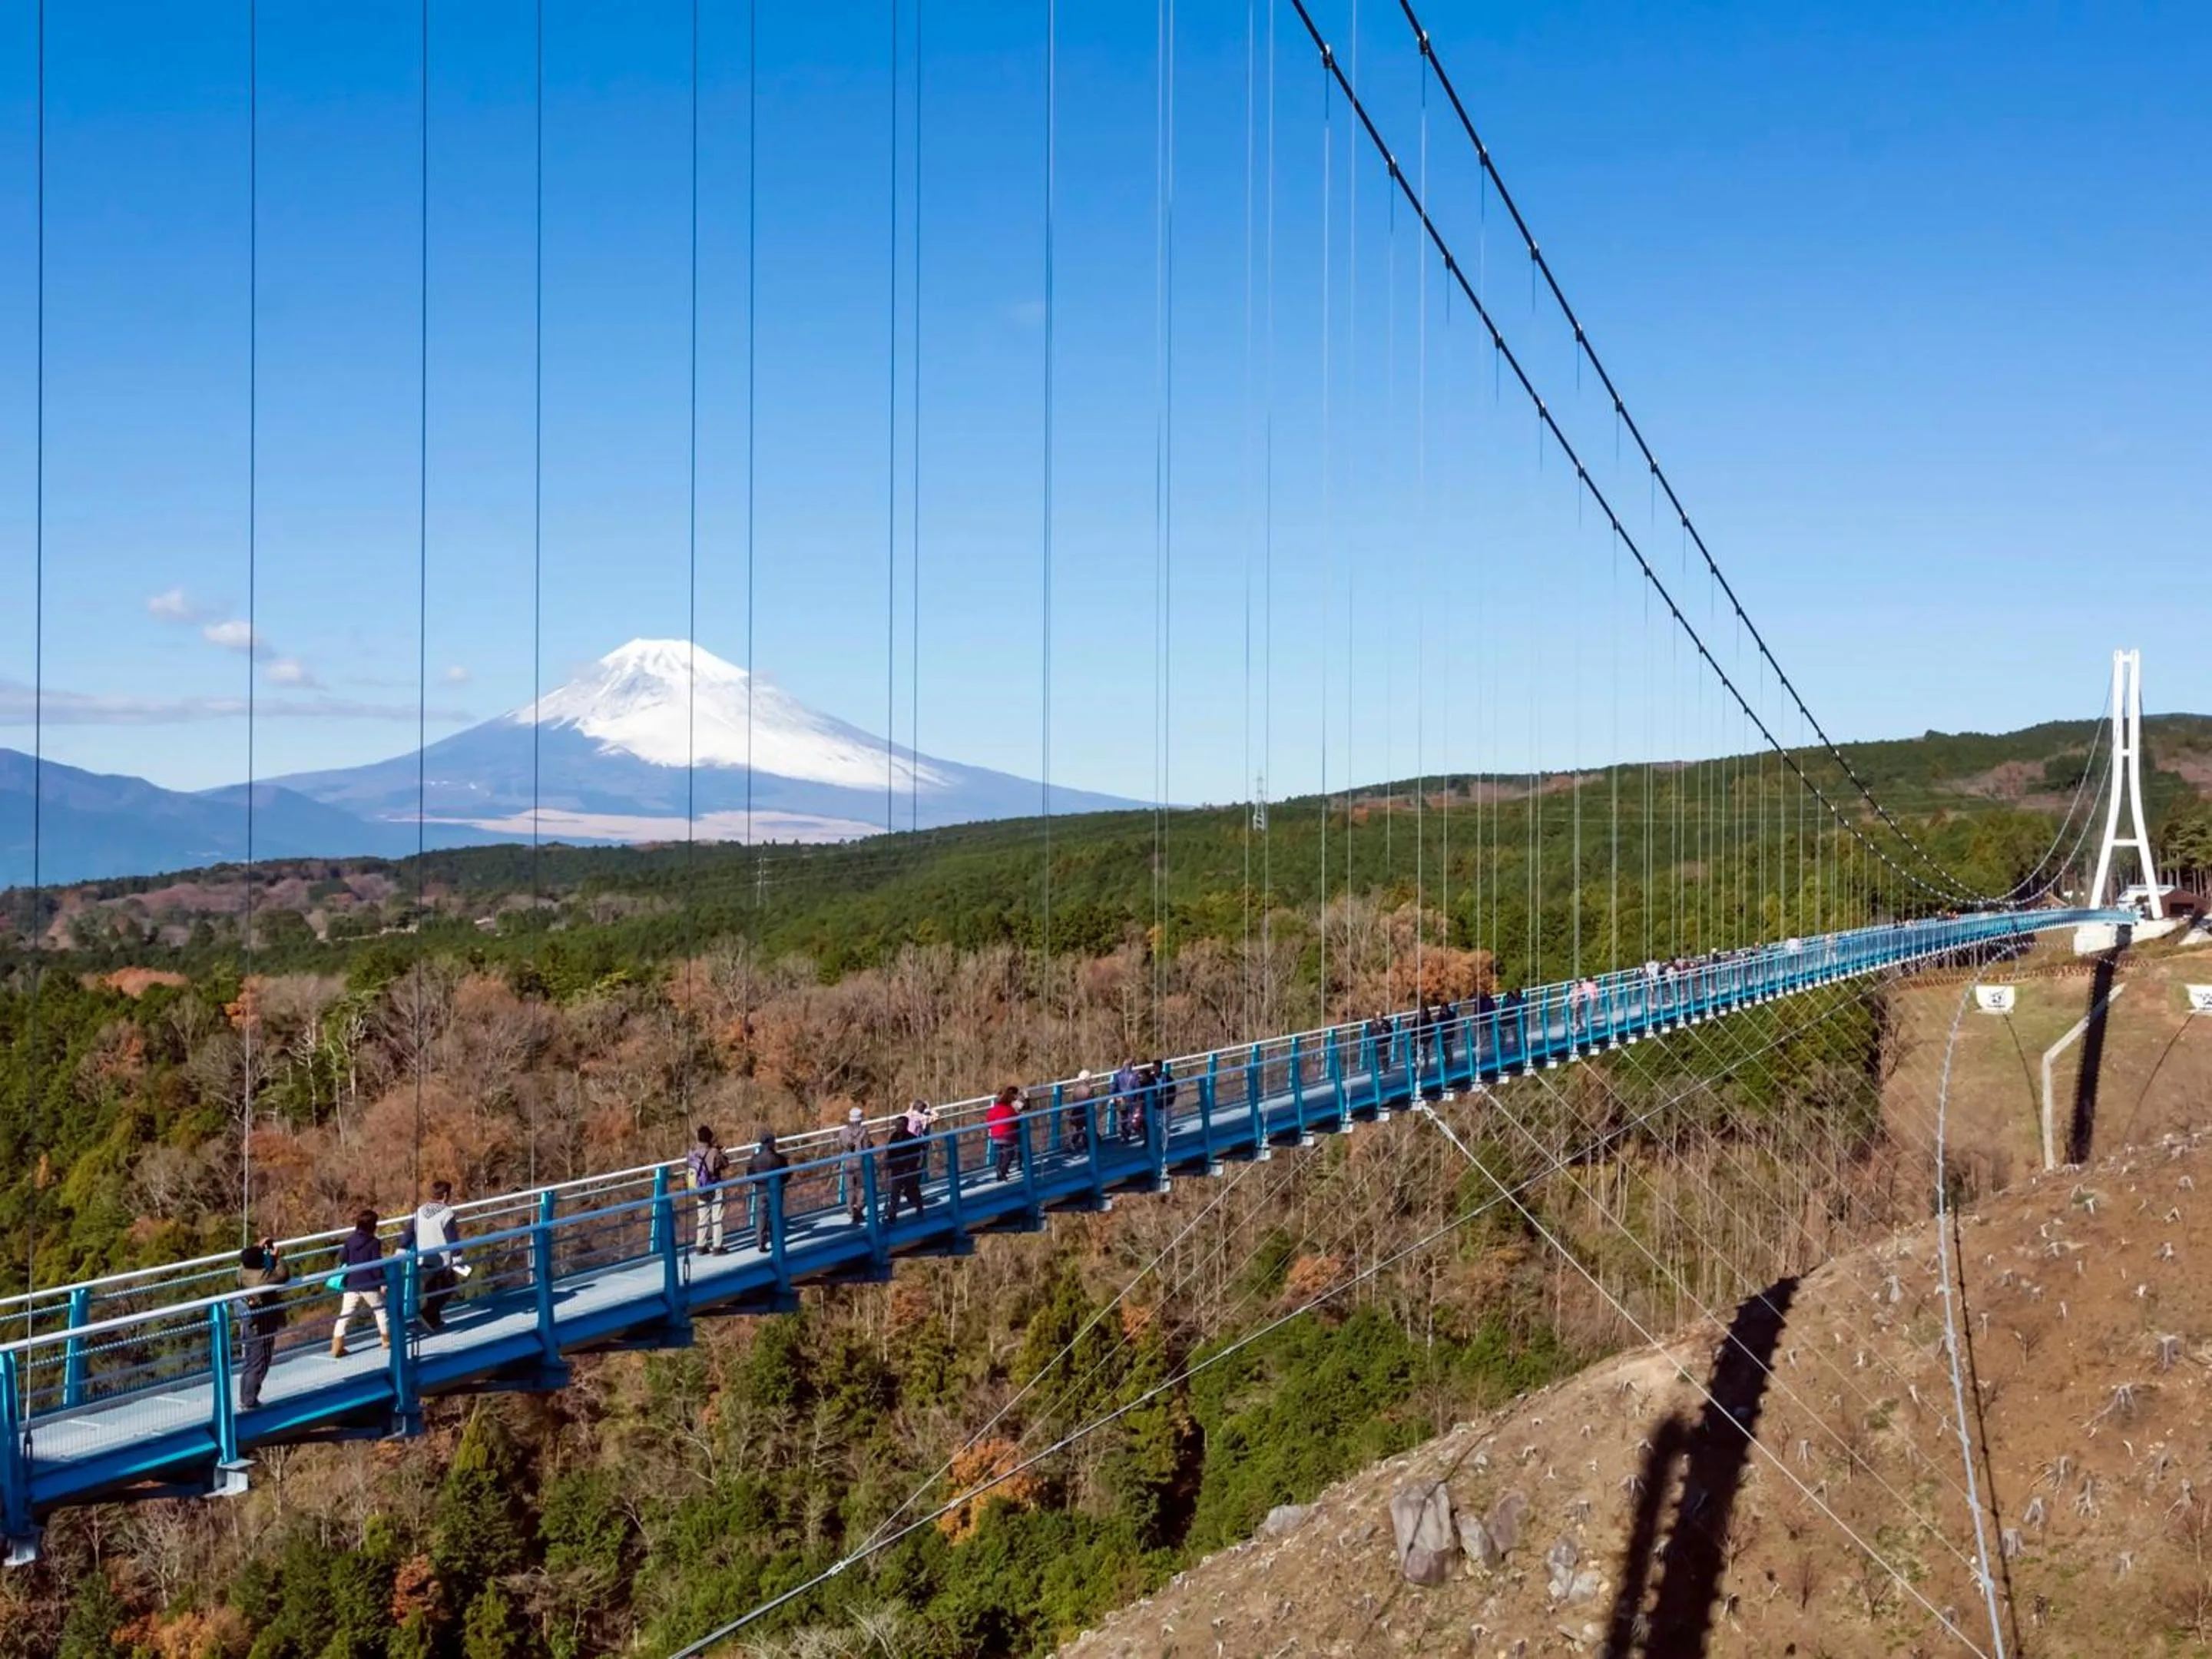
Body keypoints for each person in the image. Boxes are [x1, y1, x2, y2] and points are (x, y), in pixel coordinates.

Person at [400, 1181, 464, 1333]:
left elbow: (409, 1232)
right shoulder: (446, 1213)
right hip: (442, 1261)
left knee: (431, 1291)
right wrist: (457, 1256)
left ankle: (434, 1321)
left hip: (423, 1259)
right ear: (446, 1195)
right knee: (447, 1289)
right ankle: (426, 1315)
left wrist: (401, 1248)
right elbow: (452, 1237)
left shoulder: (420, 1211)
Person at [237, 1236, 289, 1409]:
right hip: (262, 1322)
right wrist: (277, 1258)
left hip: (248, 1320)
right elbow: (282, 1275)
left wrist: (260, 1250)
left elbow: (250, 1262)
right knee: (260, 1361)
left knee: (249, 1361)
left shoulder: (242, 1272)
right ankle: (250, 1401)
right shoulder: (263, 1279)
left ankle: (246, 1398)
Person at [331, 1208, 389, 1358]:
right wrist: (382, 1282)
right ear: (373, 1225)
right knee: (380, 1310)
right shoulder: (374, 1242)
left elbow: (342, 1257)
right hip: (369, 1283)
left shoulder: (350, 1240)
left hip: (352, 1282)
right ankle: (386, 1340)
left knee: (345, 1314)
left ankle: (337, 1346)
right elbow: (377, 1265)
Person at [686, 1124, 730, 1255]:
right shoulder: (714, 1152)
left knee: (703, 1217)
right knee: (717, 1217)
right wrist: (722, 1154)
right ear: (710, 1138)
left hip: (699, 1188)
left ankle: (701, 1245)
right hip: (714, 1186)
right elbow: (724, 1164)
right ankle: (717, 1246)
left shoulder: (692, 1152)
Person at [746, 1129, 790, 1253]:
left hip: (760, 1190)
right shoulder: (779, 1159)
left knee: (761, 1216)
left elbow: (750, 1175)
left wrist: (758, 1182)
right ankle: (776, 1241)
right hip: (775, 1190)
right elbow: (786, 1174)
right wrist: (781, 1183)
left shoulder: (755, 1159)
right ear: (771, 1143)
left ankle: (761, 1242)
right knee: (775, 1215)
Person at [883, 1111, 927, 1223]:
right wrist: (888, 1162)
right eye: (897, 1125)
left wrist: (911, 1165)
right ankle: (892, 1215)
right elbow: (890, 1151)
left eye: (901, 1125)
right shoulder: (893, 1136)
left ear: (906, 1125)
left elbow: (917, 1153)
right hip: (896, 1168)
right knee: (895, 1193)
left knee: (913, 1189)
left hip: (908, 1168)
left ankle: (919, 1206)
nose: (898, 1127)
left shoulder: (911, 1138)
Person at [837, 1107, 874, 1224]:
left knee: (849, 1187)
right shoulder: (864, 1131)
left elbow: (840, 1147)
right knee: (862, 1187)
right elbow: (866, 1148)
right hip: (860, 1162)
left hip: (848, 1162)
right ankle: (859, 1207)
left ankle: (850, 1209)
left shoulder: (843, 1132)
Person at [986, 1085, 1023, 1182]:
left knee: (1000, 1154)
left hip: (995, 1135)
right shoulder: (1010, 1110)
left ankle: (999, 1172)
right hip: (1007, 1135)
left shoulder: (994, 1109)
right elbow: (1015, 1122)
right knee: (1010, 1153)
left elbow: (989, 1121)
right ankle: (1003, 1171)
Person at [1110, 1059, 1141, 1143]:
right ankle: (1126, 1133)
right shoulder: (1134, 1076)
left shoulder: (1117, 1075)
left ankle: (1123, 1133)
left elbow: (1113, 1088)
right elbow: (1138, 1088)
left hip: (1120, 1099)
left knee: (1123, 1117)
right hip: (1131, 1098)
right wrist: (1138, 1098)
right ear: (1131, 1066)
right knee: (1130, 1116)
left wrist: (1115, 1097)